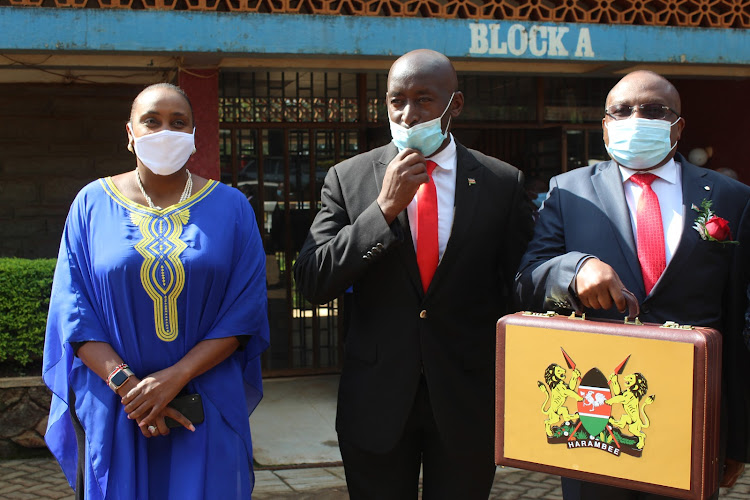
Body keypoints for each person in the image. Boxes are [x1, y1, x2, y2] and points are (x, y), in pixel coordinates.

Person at [294, 49, 533, 498]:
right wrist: (382, 211)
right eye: (396, 100)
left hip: (467, 398)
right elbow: (311, 279)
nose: (407, 114)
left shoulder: (502, 183)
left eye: (424, 100)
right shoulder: (349, 178)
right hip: (376, 400)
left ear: (454, 105)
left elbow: (521, 287)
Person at [515, 70, 750, 499]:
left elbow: (737, 320)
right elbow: (527, 279)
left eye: (653, 110)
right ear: (605, 125)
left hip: (692, 414)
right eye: (622, 110)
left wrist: (736, 438)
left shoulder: (732, 197)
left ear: (677, 125)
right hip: (597, 416)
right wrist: (576, 269)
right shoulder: (568, 192)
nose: (635, 118)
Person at [42, 83, 270, 500]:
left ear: (194, 136)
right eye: (152, 121)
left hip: (205, 402)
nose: (165, 131)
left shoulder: (233, 207)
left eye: (178, 122)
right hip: (118, 407)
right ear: (130, 133)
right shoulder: (91, 204)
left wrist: (174, 379)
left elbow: (245, 310)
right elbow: (73, 311)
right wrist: (131, 388)